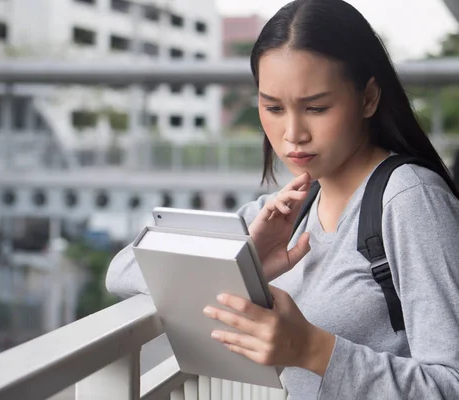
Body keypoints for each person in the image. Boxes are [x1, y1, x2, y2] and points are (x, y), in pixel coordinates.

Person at [105, 0, 459, 398]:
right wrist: (246, 258)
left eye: (316, 108)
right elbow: (122, 270)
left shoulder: (410, 199)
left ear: (368, 98)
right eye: (272, 107)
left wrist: (312, 349)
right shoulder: (291, 208)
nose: (292, 133)